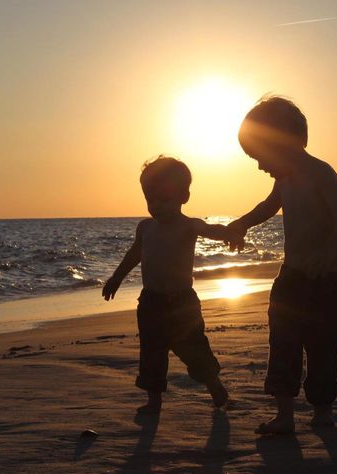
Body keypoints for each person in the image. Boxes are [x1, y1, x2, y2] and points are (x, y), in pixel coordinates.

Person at [229, 96, 337, 434]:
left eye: (260, 156)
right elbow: (268, 207)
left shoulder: (321, 173)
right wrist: (241, 223)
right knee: (282, 344)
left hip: (326, 280)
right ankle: (284, 416)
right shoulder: (283, 180)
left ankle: (322, 412)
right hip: (292, 277)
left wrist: (328, 250)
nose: (259, 166)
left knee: (324, 346)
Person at [102, 155, 241, 414]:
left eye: (163, 199)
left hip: (182, 302)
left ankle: (214, 386)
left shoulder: (188, 225)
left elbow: (212, 230)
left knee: (194, 348)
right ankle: (154, 402)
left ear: (183, 197)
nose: (156, 205)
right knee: (152, 353)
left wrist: (231, 233)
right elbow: (134, 254)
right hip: (150, 301)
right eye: (150, 199)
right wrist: (116, 277)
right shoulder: (145, 228)